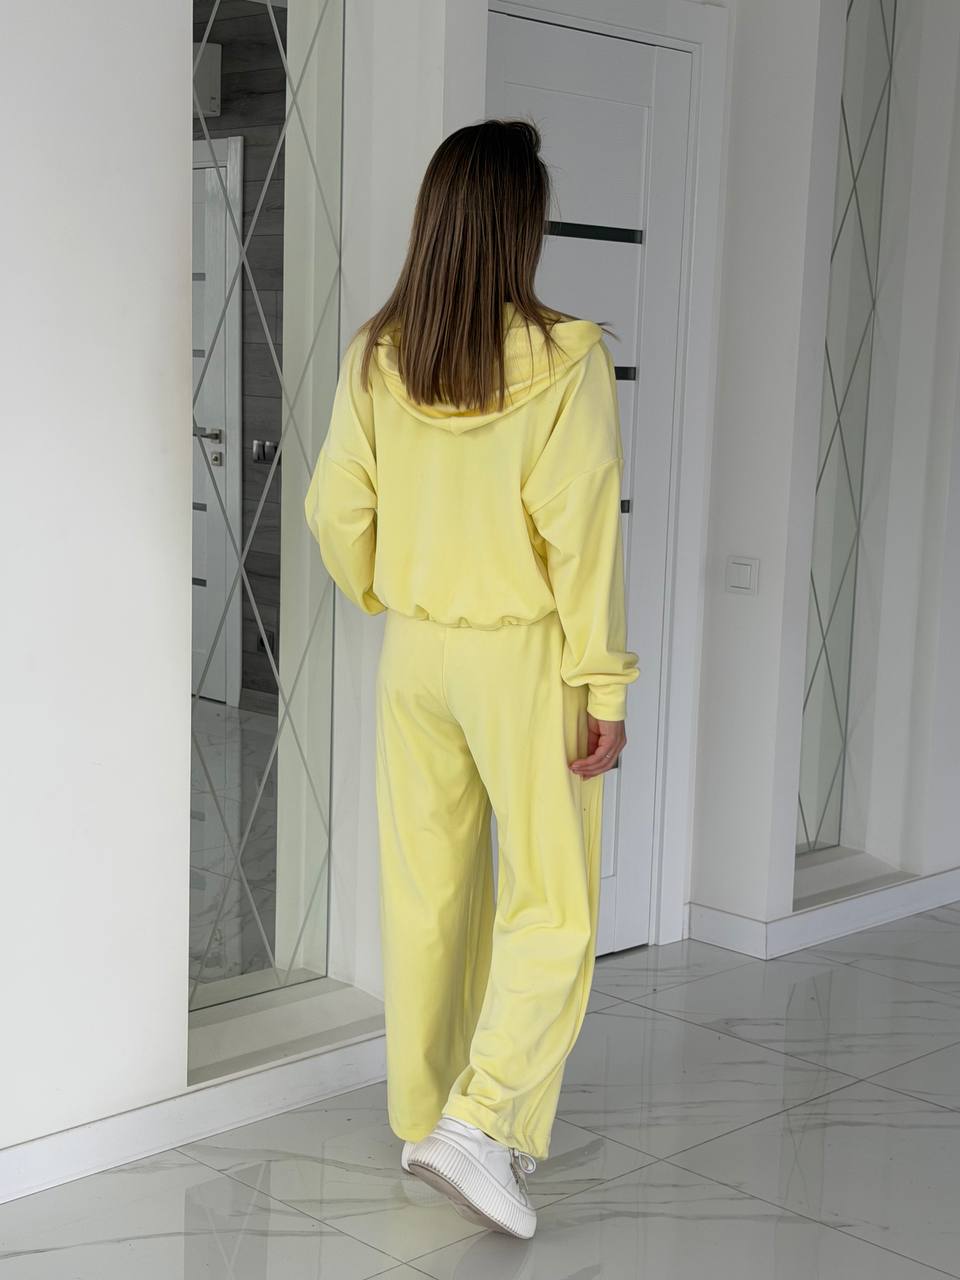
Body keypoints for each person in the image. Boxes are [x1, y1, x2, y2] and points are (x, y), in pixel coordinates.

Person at [304, 118, 638, 1240]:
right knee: (555, 901)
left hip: (414, 654)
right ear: (521, 226)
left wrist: (384, 587)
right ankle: (481, 1120)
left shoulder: (378, 356)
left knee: (429, 891)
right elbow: (584, 537)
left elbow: (334, 508)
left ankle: (425, 1114)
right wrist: (604, 686)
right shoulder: (568, 360)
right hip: (522, 654)